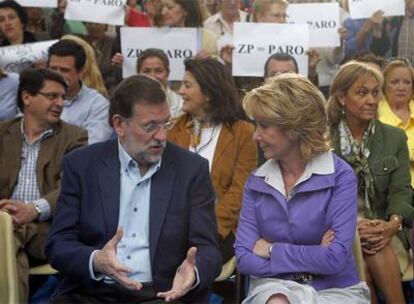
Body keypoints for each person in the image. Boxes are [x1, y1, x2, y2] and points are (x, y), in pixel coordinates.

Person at [46, 75, 222, 303]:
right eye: (150, 126)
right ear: (119, 124)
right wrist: (96, 260)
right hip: (92, 292)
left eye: (166, 124)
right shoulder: (82, 165)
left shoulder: (191, 169)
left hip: (162, 294)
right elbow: (58, 244)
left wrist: (194, 272)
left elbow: (208, 248)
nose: (161, 136)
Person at [235, 73, 370, 304]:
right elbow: (245, 259)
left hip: (335, 289)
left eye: (264, 125)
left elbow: (335, 259)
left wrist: (271, 251)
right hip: (273, 286)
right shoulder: (256, 182)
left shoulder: (340, 176)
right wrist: (316, 255)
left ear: (295, 127)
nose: (255, 135)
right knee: (278, 301)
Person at [328, 60, 414, 304]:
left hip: (386, 228)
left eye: (376, 93)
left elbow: (401, 192)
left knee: (372, 245)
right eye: (362, 93)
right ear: (342, 98)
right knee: (361, 254)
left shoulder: (393, 137)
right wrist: (352, 228)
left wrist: (392, 224)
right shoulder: (323, 138)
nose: (372, 100)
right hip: (336, 231)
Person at [0, 67, 87, 303]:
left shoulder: (74, 137)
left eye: (62, 97)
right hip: (5, 220)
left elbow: (72, 188)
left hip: (48, 227)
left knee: (8, 235)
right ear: (27, 97)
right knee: (7, 234)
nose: (59, 103)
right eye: (52, 96)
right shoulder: (2, 133)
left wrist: (34, 209)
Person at [168, 58, 257, 264]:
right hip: (175, 227)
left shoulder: (244, 132)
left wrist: (208, 230)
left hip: (220, 231)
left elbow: (240, 191)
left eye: (187, 85)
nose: (181, 91)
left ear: (208, 93)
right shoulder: (173, 130)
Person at [47, 39, 113, 144]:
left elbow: (90, 147)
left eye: (64, 70)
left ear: (80, 72)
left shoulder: (97, 105)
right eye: (53, 69)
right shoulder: (35, 98)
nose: (57, 75)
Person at [378, 58, 414, 187]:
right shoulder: (373, 114)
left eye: (407, 82)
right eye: (394, 82)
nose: (401, 87)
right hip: (386, 187)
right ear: (383, 85)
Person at [136, 48, 183, 118]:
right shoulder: (129, 103)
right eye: (146, 71)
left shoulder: (181, 104)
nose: (152, 77)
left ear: (167, 73)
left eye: (158, 71)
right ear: (138, 73)